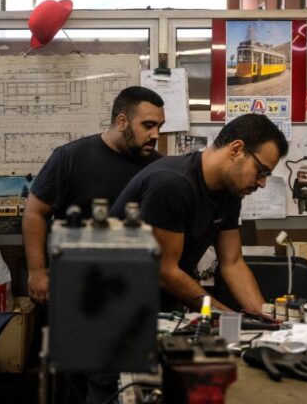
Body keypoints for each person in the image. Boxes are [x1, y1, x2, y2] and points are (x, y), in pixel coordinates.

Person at [112, 113, 288, 313]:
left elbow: (232, 263)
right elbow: (165, 271)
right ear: (236, 150)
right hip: (116, 303)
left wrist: (264, 315)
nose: (262, 183)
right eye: (261, 171)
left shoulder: (230, 191)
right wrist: (228, 317)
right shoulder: (171, 183)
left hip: (159, 305)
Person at [22, 86, 165, 304]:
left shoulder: (158, 168)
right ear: (122, 122)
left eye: (159, 127)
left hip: (132, 286)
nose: (156, 135)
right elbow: (34, 212)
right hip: (76, 282)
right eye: (148, 125)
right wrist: (37, 272)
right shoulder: (70, 158)